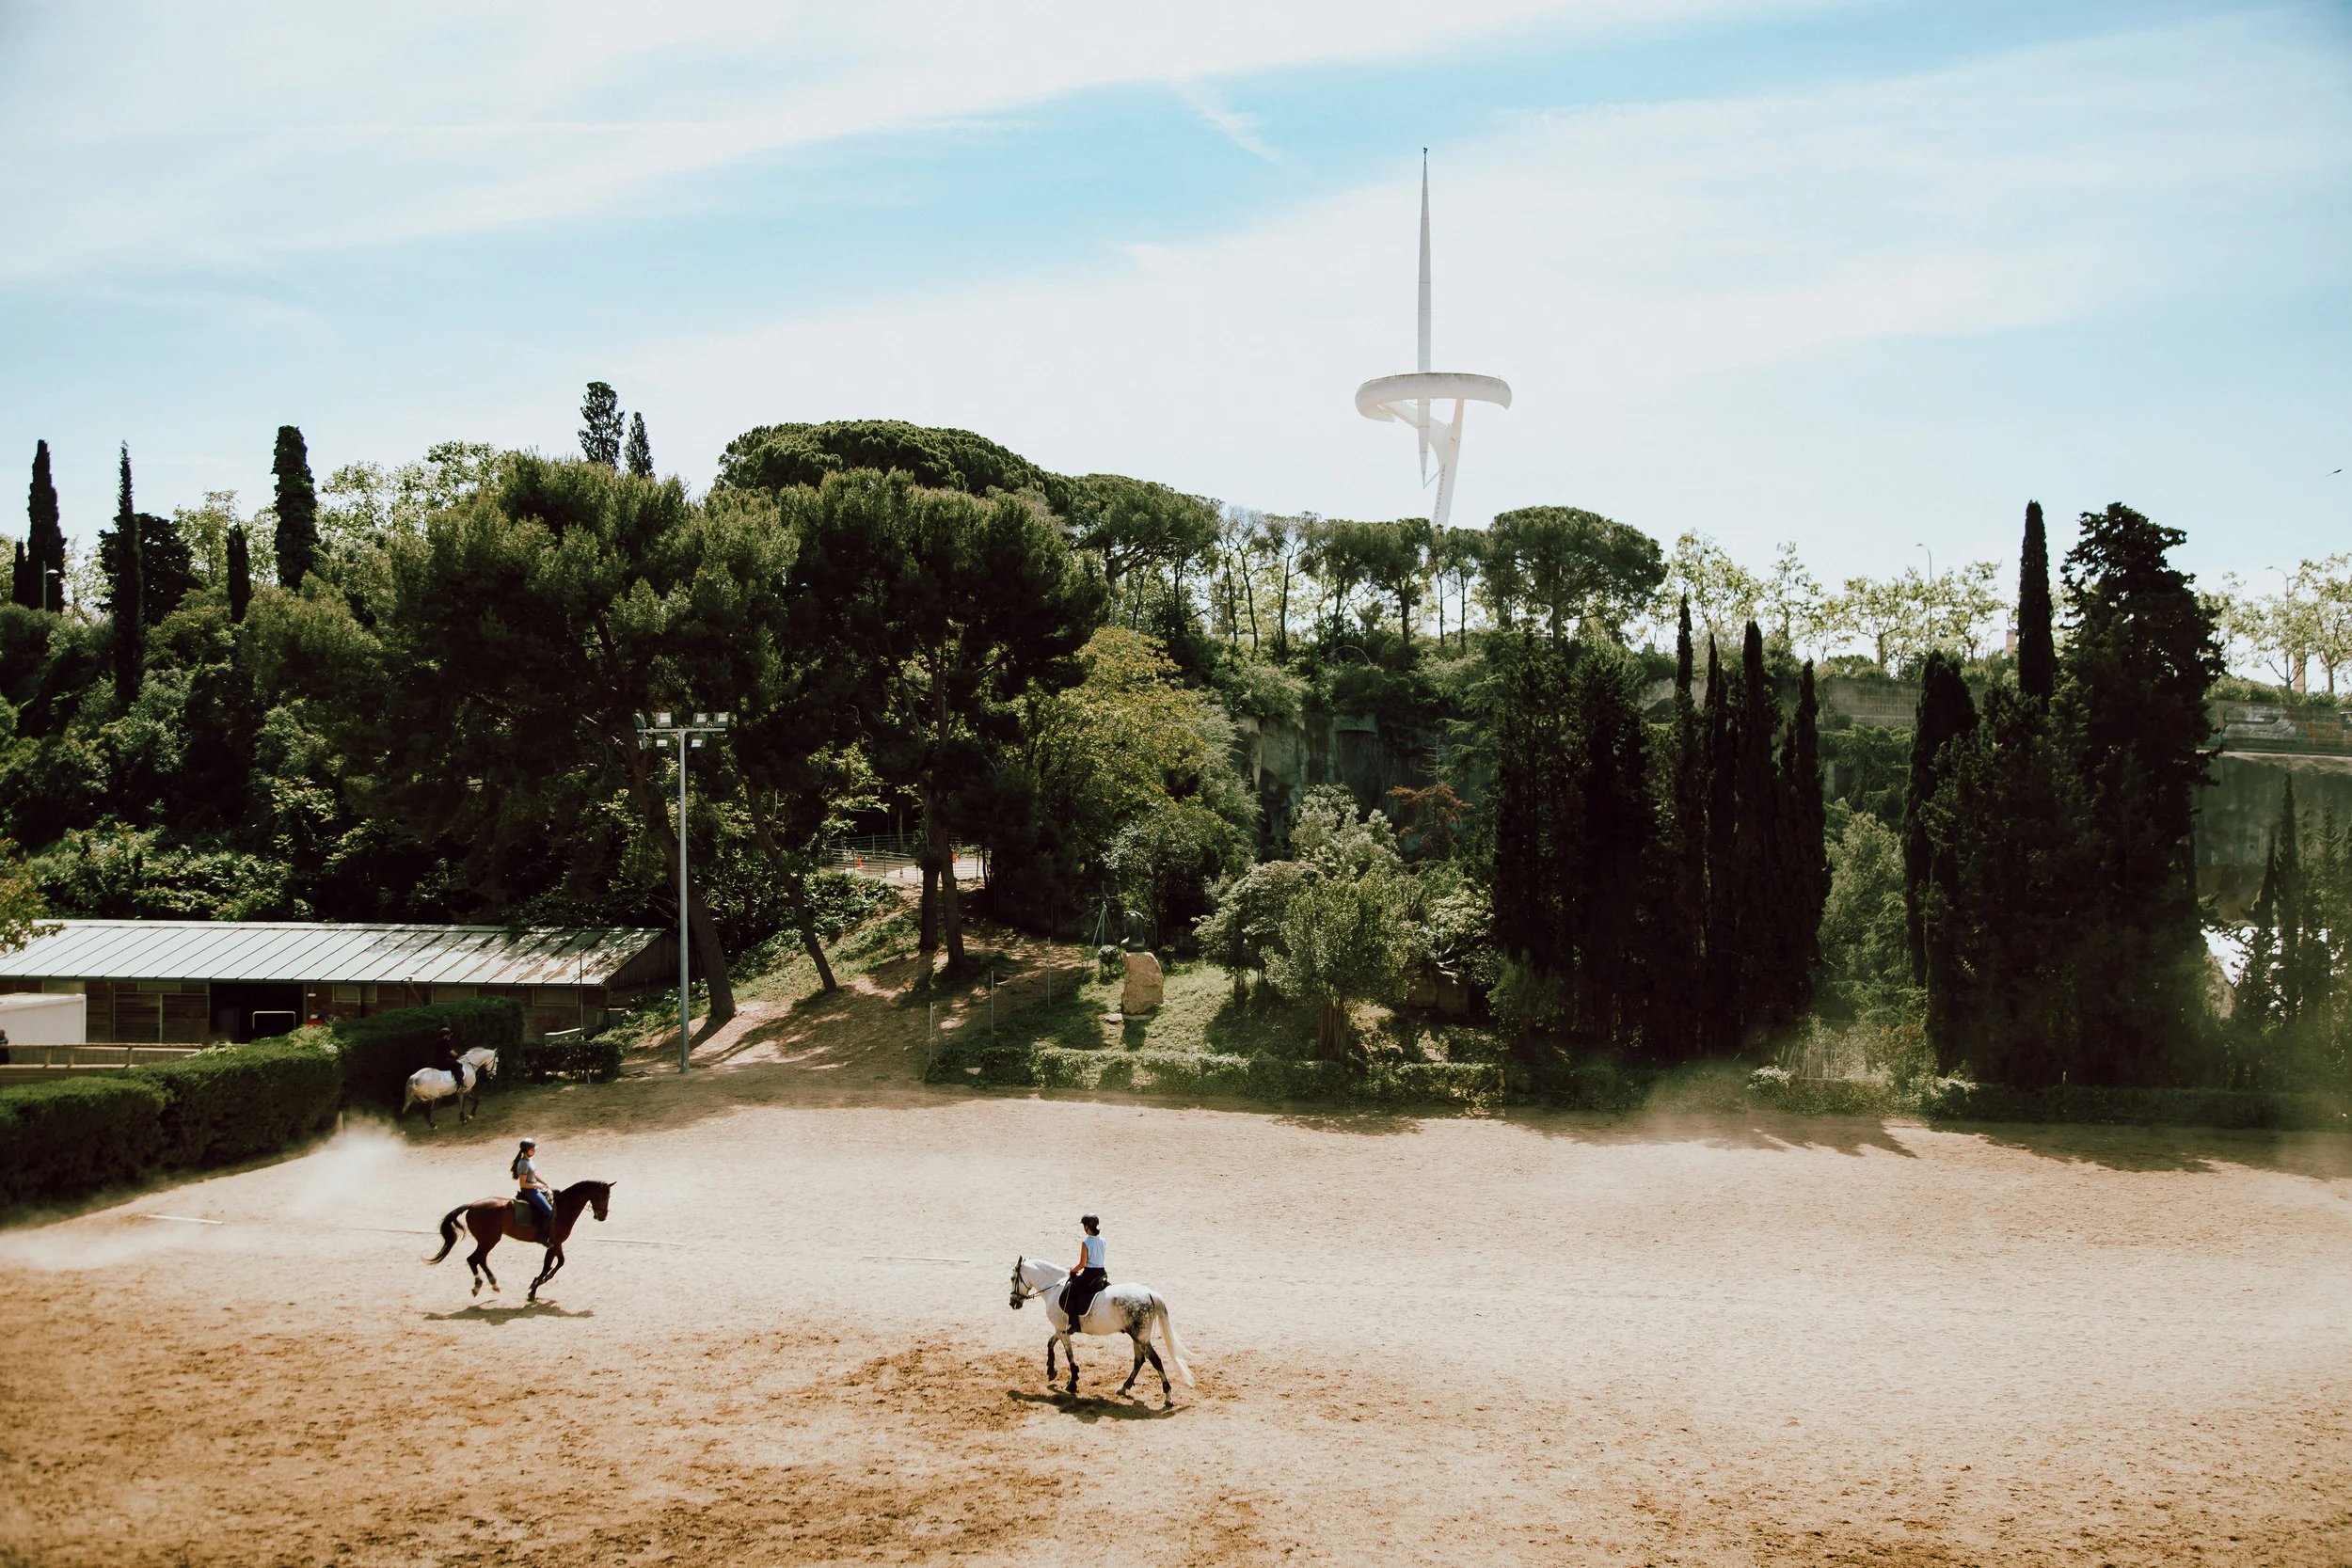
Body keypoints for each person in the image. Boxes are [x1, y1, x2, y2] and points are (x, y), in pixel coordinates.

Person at [1060, 1212, 1107, 1333]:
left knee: (1066, 1295)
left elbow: (1082, 1264)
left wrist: (1072, 1270)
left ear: (1086, 1227)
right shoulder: (1103, 1241)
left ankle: (1075, 1324)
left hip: (1089, 1276)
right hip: (1102, 1274)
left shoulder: (1086, 1243)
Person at [512, 1138, 556, 1244]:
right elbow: (523, 1184)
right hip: (529, 1191)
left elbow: (533, 1175)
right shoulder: (523, 1164)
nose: (534, 1151)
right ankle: (542, 1237)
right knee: (548, 1211)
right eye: (532, 1149)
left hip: (534, 1188)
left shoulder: (529, 1160)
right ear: (527, 1150)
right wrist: (538, 1186)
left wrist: (545, 1183)